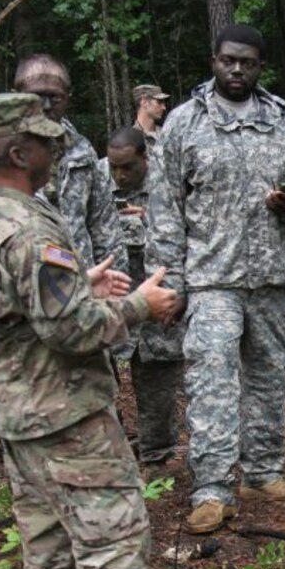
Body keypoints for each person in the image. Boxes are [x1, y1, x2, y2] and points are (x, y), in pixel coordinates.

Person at [0, 93, 178, 569]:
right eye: (45, 140)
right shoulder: (28, 229)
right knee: (114, 538)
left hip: (15, 414)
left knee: (47, 540)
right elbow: (73, 332)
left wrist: (79, 281)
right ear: (17, 150)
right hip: (63, 416)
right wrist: (137, 306)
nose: (57, 147)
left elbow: (9, 306)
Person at [151, 24, 285, 534]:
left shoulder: (283, 122)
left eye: (247, 62)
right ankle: (211, 488)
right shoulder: (185, 123)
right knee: (212, 383)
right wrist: (172, 284)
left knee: (269, 378)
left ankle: (264, 472)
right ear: (214, 59)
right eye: (228, 60)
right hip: (212, 279)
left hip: (272, 277)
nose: (236, 70)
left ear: (260, 66)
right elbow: (166, 208)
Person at [0, 54, 127, 292]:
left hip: (84, 303)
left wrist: (115, 292)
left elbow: (105, 228)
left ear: (68, 98)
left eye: (55, 97)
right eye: (38, 97)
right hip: (16, 308)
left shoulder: (81, 152)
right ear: (16, 95)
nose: (47, 107)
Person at [101, 127, 185, 463]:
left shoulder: (167, 184)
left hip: (156, 301)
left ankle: (157, 454)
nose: (119, 175)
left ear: (144, 159)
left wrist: (149, 219)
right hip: (108, 300)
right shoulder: (95, 182)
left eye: (128, 167)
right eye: (113, 167)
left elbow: (186, 230)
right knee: (98, 382)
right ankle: (109, 453)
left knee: (158, 380)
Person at [131, 84, 169, 151]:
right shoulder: (131, 138)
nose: (164, 107)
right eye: (159, 102)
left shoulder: (167, 134)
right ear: (144, 102)